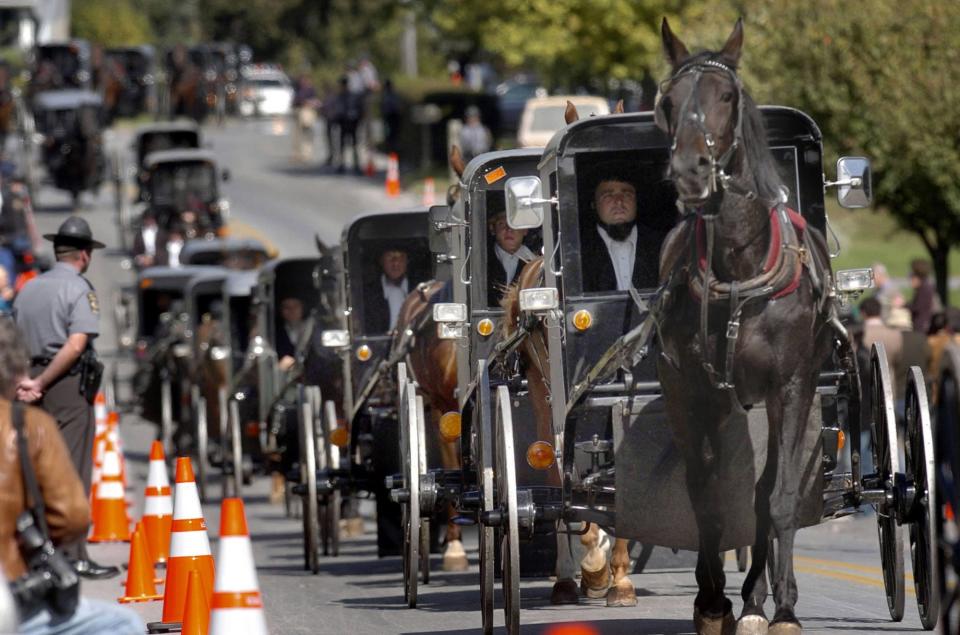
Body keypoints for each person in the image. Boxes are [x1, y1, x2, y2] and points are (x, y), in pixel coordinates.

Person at [0, 318, 143, 633]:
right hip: (12, 598)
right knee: (124, 623)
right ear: (14, 366)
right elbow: (72, 517)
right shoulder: (29, 426)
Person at [12, 216, 118, 580]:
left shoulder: (28, 288)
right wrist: (42, 380)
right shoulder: (78, 289)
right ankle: (73, 555)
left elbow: (13, 338)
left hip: (26, 385)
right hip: (64, 386)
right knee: (72, 471)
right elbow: (76, 344)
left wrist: (25, 380)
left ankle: (38, 551)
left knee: (34, 470)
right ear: (84, 255)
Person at [580, 170, 667, 293]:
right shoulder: (579, 251)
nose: (619, 202)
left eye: (627, 194)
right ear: (593, 204)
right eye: (608, 195)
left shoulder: (663, 245)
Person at [487, 208, 534, 306]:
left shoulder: (535, 264)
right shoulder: (481, 260)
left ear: (525, 230)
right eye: (502, 224)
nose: (509, 229)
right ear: (492, 229)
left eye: (515, 223)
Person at [363, 246, 410, 333]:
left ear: (407, 261)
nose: (396, 262)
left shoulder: (421, 291)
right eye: (390, 256)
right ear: (381, 261)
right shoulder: (367, 294)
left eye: (401, 257)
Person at [335, 75, 363, 174]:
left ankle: (355, 164)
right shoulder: (344, 96)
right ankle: (345, 164)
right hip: (346, 123)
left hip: (350, 123)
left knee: (352, 144)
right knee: (346, 144)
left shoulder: (347, 96)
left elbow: (359, 109)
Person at [908, 258, 941, 335]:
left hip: (923, 327)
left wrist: (904, 305)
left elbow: (918, 307)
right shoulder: (926, 287)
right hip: (924, 326)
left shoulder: (925, 289)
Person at [276, 296, 306, 371]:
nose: (292, 310)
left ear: (302, 308)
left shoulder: (312, 329)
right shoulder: (275, 334)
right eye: (286, 307)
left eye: (295, 306)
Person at [292, 74, 318, 162]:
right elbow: (295, 101)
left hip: (307, 112)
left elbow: (315, 101)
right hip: (299, 112)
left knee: (307, 134)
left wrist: (308, 103)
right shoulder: (298, 89)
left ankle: (307, 154)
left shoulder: (311, 90)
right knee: (298, 136)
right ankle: (297, 154)